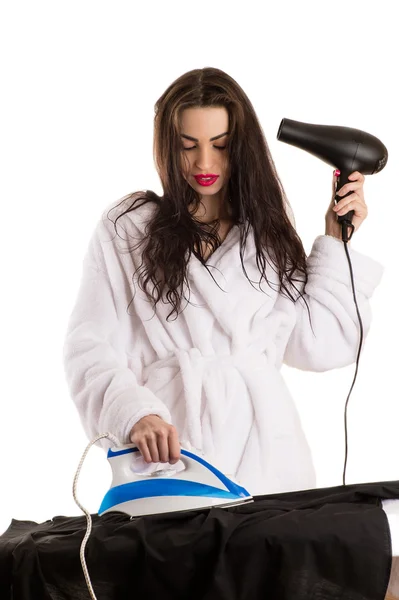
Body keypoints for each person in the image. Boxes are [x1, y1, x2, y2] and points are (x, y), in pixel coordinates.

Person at [62, 67, 384, 496]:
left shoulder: (265, 238)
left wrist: (335, 239)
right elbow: (88, 347)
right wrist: (136, 414)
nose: (205, 163)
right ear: (166, 147)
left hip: (271, 462)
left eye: (221, 145)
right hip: (173, 454)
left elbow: (322, 344)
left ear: (241, 147)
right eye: (188, 146)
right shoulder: (129, 231)